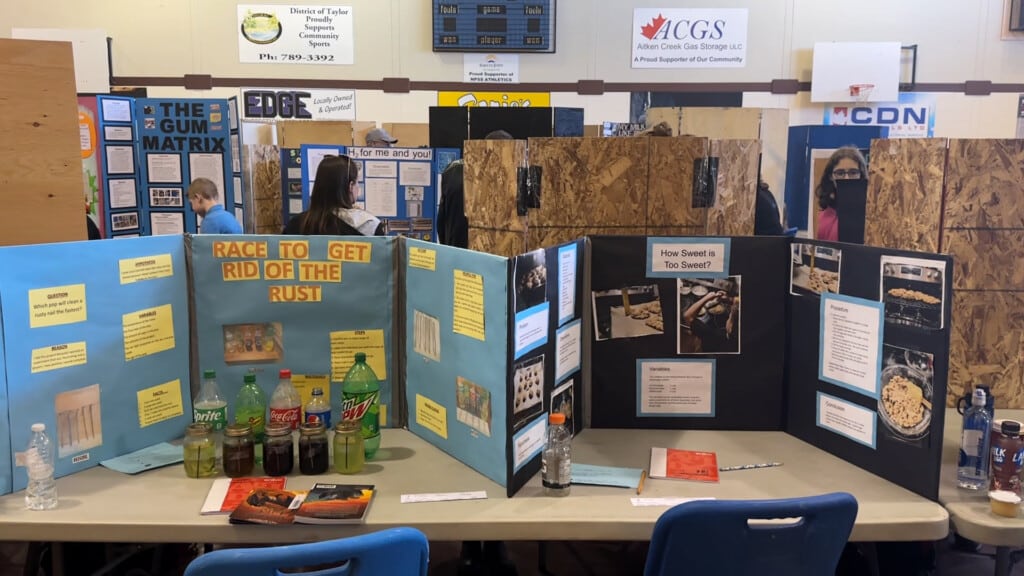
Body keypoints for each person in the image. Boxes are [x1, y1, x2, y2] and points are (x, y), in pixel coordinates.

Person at [437, 130, 514, 249]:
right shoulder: (504, 176)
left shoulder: (452, 170)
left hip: (455, 249)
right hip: (488, 252)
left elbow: (441, 220)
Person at [284, 155, 383, 236]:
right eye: (357, 182)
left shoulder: (296, 224)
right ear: (350, 186)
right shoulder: (368, 225)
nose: (358, 187)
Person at [815, 146, 867, 241]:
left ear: (861, 175)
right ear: (831, 176)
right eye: (840, 173)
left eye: (853, 172)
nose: (846, 178)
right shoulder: (825, 212)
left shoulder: (869, 213)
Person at [682, 281, 740, 354]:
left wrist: (707, 297)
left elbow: (687, 316)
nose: (728, 317)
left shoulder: (713, 337)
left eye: (730, 317)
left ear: (730, 328)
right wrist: (729, 299)